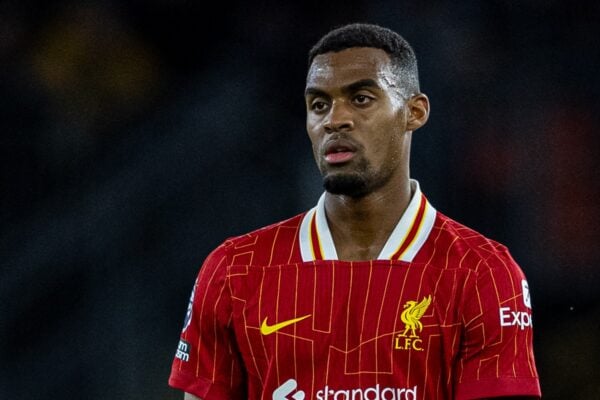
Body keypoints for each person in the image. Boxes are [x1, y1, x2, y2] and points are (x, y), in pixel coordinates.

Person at [168, 22, 541, 400]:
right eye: (319, 104)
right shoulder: (234, 270)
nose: (334, 119)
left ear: (414, 112)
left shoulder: (483, 274)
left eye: (361, 98)